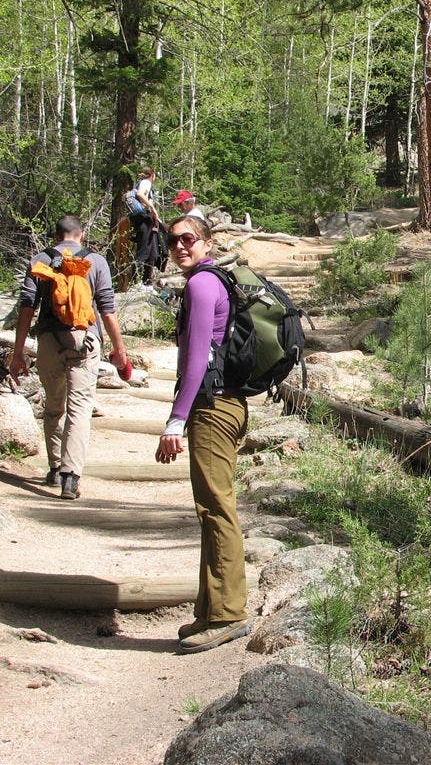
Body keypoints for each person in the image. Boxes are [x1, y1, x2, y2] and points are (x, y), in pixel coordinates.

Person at [155, 215, 251, 654]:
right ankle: (210, 610)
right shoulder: (213, 281)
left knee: (216, 509)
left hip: (212, 408)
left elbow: (197, 359)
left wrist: (176, 420)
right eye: (172, 240)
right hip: (224, 405)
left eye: (187, 239)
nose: (179, 246)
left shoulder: (200, 284)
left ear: (206, 243)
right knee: (211, 508)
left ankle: (227, 615)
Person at [9, 215, 129, 500]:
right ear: (82, 234)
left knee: (53, 405)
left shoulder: (40, 259)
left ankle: (53, 466)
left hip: (49, 340)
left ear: (56, 235)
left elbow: (27, 307)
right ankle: (70, 477)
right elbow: (107, 308)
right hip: (85, 339)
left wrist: (18, 354)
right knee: (80, 408)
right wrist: (120, 350)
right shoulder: (96, 262)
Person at [129, 166, 161, 290]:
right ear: (152, 174)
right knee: (145, 249)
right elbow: (140, 194)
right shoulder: (146, 182)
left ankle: (145, 282)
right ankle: (139, 282)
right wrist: (152, 208)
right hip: (145, 219)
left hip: (143, 219)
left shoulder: (140, 182)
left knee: (151, 249)